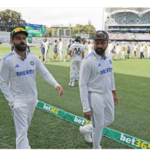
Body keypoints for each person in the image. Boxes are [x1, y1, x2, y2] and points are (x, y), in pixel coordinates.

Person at [0, 27, 64, 149]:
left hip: (32, 100)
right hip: (18, 102)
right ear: (12, 42)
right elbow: (2, 82)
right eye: (18, 38)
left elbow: (45, 73)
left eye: (24, 38)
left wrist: (55, 84)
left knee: (23, 131)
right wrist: (12, 102)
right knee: (22, 134)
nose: (22, 41)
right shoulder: (7, 60)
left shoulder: (33, 58)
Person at [79, 30, 118, 149]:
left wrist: (114, 93)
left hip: (107, 93)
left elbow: (110, 76)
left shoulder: (109, 57)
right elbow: (82, 84)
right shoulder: (88, 61)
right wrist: (86, 107)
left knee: (110, 119)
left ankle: (86, 130)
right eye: (97, 43)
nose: (99, 46)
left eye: (102, 43)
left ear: (107, 43)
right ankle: (97, 147)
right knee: (99, 124)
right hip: (94, 94)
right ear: (93, 44)